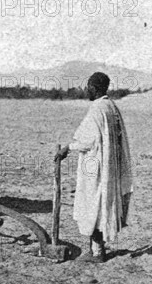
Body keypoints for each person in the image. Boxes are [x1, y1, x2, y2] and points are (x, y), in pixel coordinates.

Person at [54, 72, 133, 262]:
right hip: (109, 166)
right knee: (100, 203)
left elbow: (88, 140)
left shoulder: (98, 108)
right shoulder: (111, 107)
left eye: (89, 86)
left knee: (93, 204)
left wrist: (68, 148)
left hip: (96, 167)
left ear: (94, 88)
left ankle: (97, 252)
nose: (86, 89)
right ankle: (96, 249)